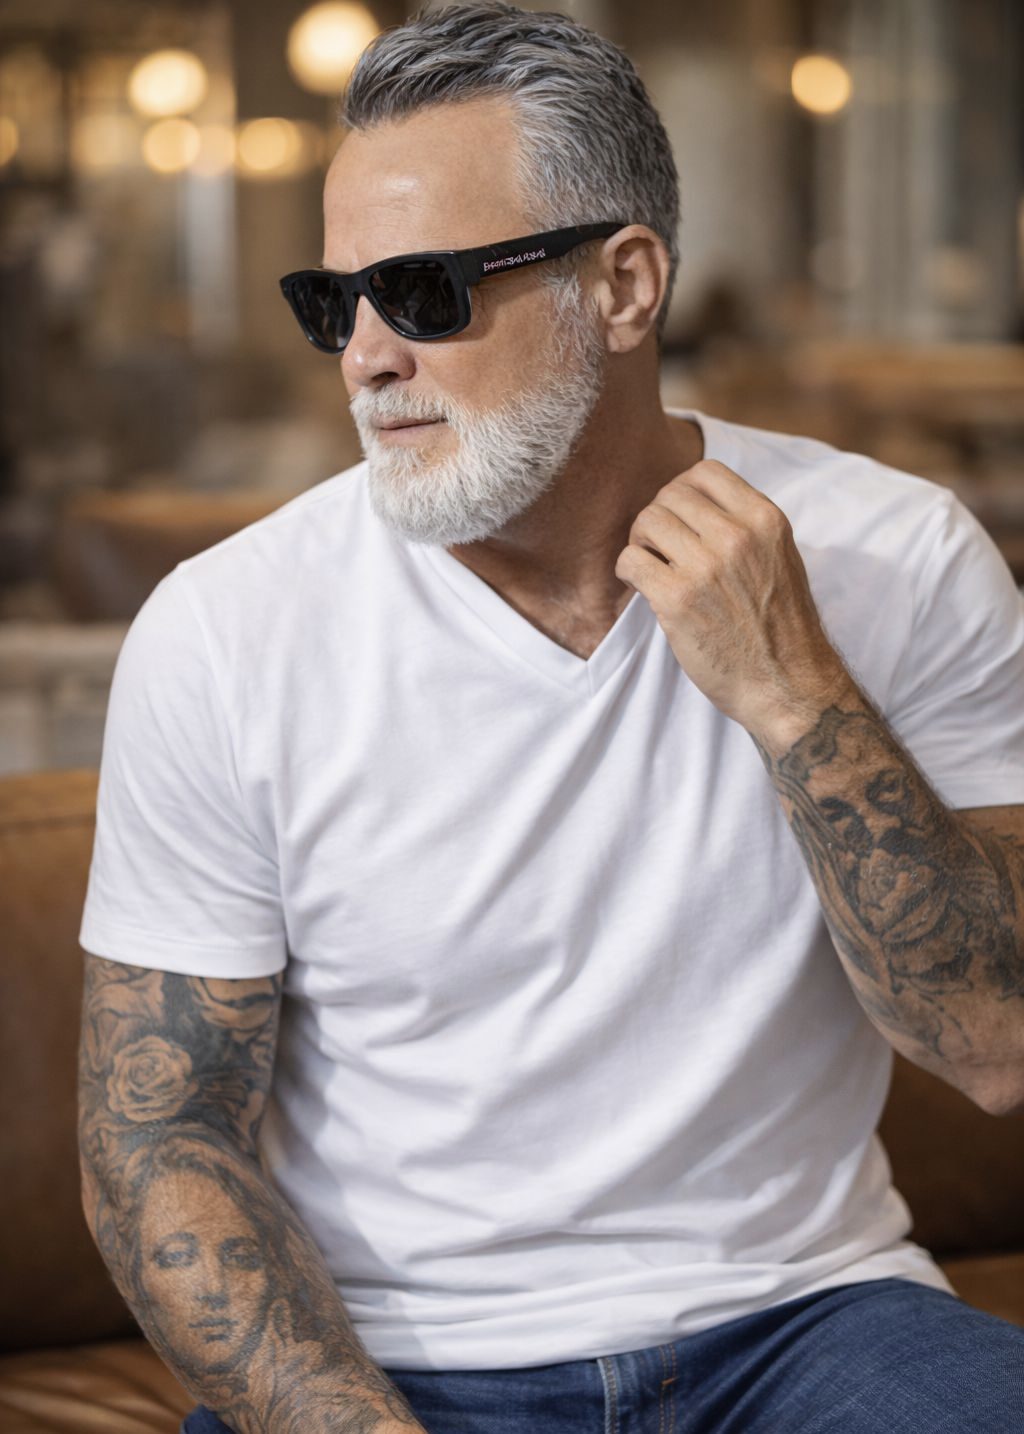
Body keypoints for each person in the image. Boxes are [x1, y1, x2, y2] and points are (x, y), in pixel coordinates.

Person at [76, 4, 1024, 1431]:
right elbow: (158, 1133)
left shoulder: (898, 556)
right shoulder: (226, 631)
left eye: (423, 292)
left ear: (624, 285)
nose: (367, 356)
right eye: (336, 303)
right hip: (396, 1359)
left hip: (805, 1322)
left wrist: (795, 691)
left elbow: (996, 1045)